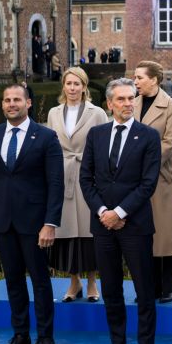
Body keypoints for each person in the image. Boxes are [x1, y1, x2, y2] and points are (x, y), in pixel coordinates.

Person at [0, 83, 64, 344]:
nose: (11, 104)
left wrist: (50, 223)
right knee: (13, 281)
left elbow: (56, 183)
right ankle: (21, 335)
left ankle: (46, 338)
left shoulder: (46, 137)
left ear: (28, 104)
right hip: (2, 223)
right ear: (2, 105)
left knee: (40, 281)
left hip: (35, 224)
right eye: (6, 100)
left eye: (16, 99)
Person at [81, 77, 162, 344]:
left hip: (136, 225)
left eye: (132, 98)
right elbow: (85, 179)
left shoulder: (149, 136)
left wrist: (120, 213)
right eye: (122, 99)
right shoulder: (96, 135)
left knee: (144, 289)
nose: (128, 104)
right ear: (109, 104)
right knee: (111, 289)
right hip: (102, 226)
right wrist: (104, 211)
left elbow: (148, 183)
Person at [45, 67, 107, 304]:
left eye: (77, 84)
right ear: (63, 86)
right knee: (67, 231)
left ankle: (92, 282)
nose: (72, 88)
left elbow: (103, 146)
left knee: (89, 231)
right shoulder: (53, 113)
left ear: (84, 86)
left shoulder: (97, 112)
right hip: (62, 176)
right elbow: (50, 146)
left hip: (88, 175)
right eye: (68, 83)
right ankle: (74, 281)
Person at [132, 61, 172, 304]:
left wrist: (145, 166)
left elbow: (170, 142)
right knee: (144, 234)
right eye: (134, 78)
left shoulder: (171, 105)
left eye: (140, 78)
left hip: (164, 177)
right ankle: (149, 287)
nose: (135, 82)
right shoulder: (132, 103)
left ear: (154, 79)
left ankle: (170, 285)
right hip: (136, 178)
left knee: (168, 232)